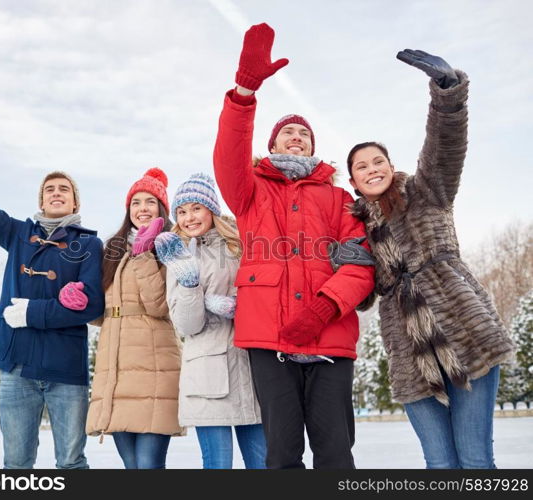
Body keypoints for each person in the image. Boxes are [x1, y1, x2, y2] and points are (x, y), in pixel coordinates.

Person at [212, 24, 375, 469]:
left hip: (331, 337)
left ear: (314, 147)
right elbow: (228, 155)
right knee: (281, 454)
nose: (297, 137)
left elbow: (361, 263)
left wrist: (324, 309)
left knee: (336, 453)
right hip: (270, 338)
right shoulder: (249, 191)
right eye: (288, 133)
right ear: (271, 144)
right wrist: (244, 93)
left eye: (304, 134)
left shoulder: (341, 199)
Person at [347, 49, 516, 469]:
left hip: (463, 331)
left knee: (475, 460)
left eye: (378, 161)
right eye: (361, 166)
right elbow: (362, 297)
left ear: (391, 165)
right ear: (352, 180)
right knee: (440, 465)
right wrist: (347, 262)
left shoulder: (426, 192)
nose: (372, 169)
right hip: (409, 351)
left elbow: (444, 146)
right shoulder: (357, 230)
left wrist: (447, 94)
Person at [0, 102, 104, 469]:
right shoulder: (18, 233)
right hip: (17, 366)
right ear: (41, 199)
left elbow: (93, 305)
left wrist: (33, 312)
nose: (56, 192)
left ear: (75, 200)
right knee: (16, 463)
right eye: (49, 189)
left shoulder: (89, 245)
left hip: (66, 370)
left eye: (64, 188)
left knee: (71, 463)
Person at [154, 173, 267, 469]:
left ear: (211, 209)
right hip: (208, 375)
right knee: (218, 465)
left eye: (196, 208)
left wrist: (239, 307)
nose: (189, 217)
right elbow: (187, 326)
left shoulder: (240, 244)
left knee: (264, 463)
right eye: (182, 211)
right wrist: (190, 284)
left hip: (252, 369)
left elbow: (263, 296)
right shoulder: (178, 255)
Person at [86, 168, 185, 469]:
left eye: (150, 202)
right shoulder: (113, 249)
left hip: (155, 365)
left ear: (161, 209)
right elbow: (104, 312)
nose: (142, 209)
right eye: (136, 202)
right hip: (114, 369)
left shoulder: (171, 244)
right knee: (132, 466)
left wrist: (144, 254)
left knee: (148, 465)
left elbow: (158, 305)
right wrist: (80, 301)